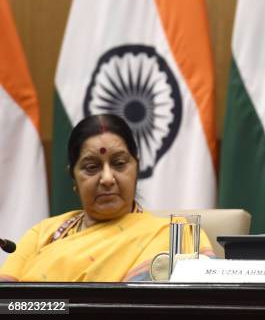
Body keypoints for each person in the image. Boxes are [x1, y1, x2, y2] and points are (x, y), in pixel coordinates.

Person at [0, 114, 213, 282]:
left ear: (136, 168)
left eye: (119, 164)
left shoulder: (178, 234)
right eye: (92, 167)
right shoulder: (41, 234)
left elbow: (209, 300)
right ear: (73, 176)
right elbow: (7, 304)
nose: (108, 178)